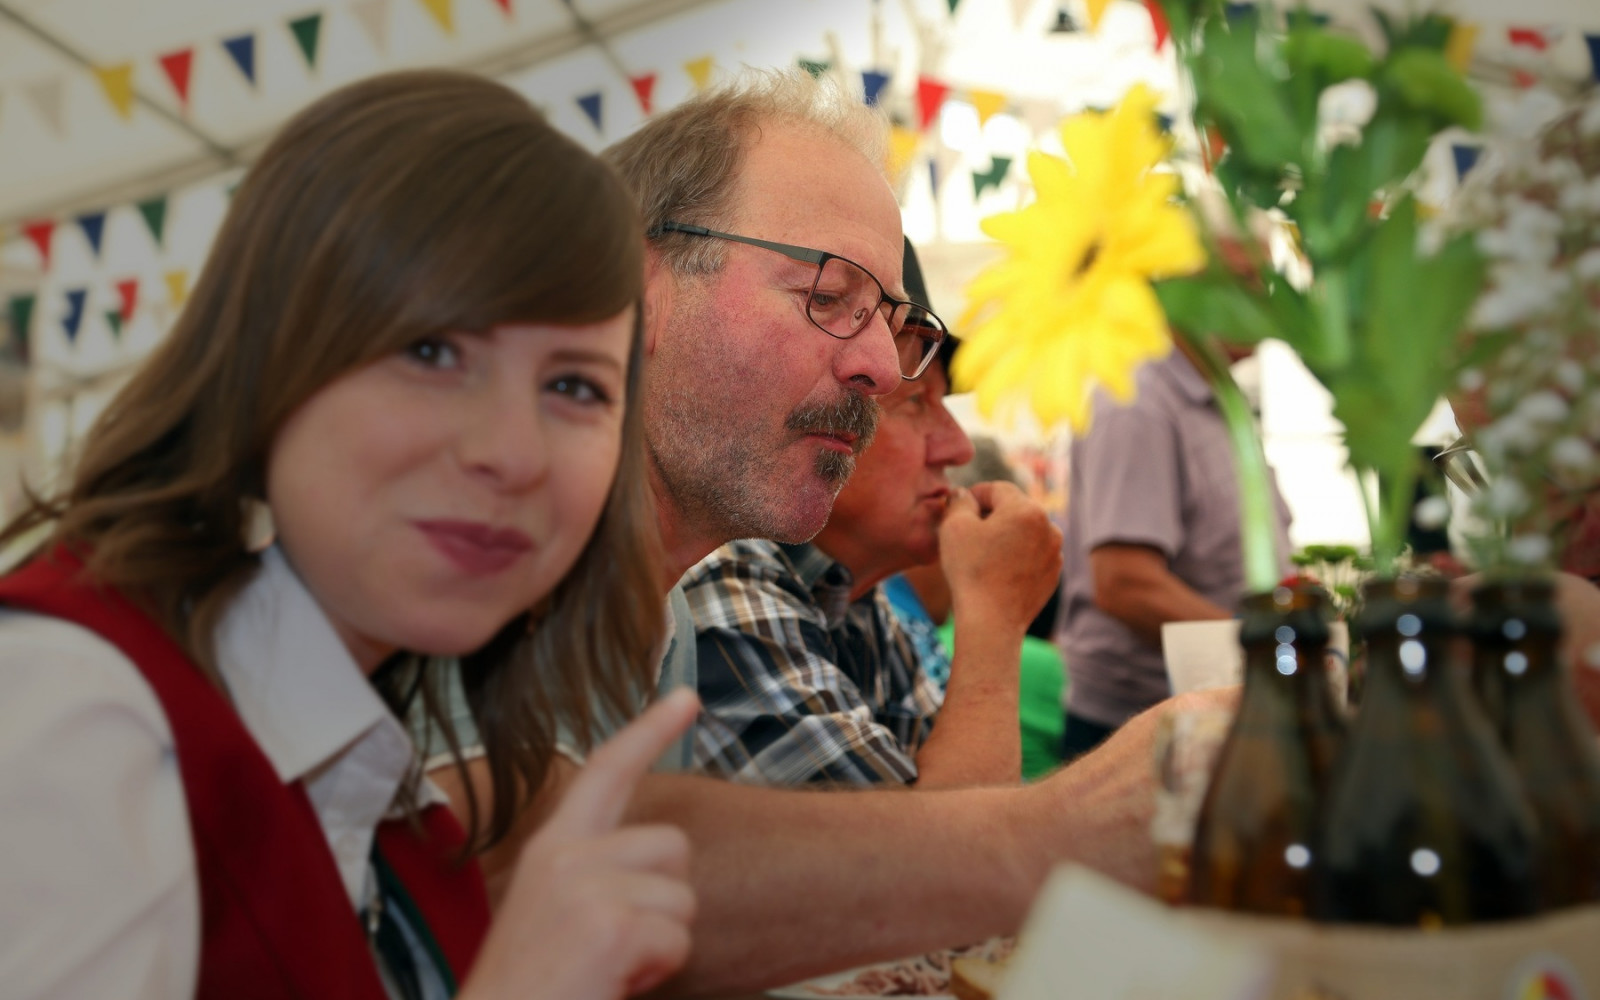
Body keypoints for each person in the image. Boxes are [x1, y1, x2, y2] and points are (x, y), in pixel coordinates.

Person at [435, 70, 1232, 997]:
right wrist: (1053, 831)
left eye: (893, 325)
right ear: (637, 291)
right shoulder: (471, 556)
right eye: (828, 293)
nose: (880, 369)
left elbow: (624, 909)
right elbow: (499, 868)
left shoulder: (664, 616)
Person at [0, 71, 704, 1000]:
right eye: (432, 352)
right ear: (269, 353)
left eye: (574, 386)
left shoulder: (396, 806)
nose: (512, 454)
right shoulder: (81, 706)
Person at [684, 239, 1061, 787]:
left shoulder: (858, 605)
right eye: (916, 403)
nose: (957, 449)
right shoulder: (728, 587)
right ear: (828, 421)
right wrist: (995, 616)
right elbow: (950, 837)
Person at [1058, 340, 1291, 759]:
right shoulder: (1136, 401)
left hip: (1214, 706)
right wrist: (1275, 645)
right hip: (1147, 728)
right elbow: (1124, 584)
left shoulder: (1215, 396)